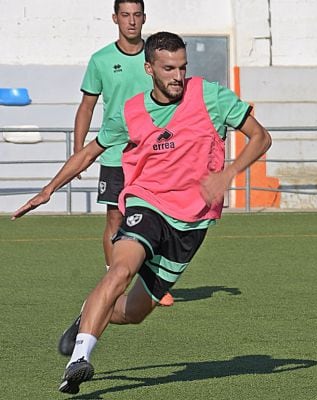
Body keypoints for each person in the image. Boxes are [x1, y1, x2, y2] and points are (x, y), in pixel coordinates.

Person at [12, 31, 273, 395]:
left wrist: (228, 173)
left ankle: (88, 313)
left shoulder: (212, 96)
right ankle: (80, 359)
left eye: (183, 67)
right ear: (149, 68)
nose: (178, 76)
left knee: (133, 312)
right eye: (168, 68)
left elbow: (261, 136)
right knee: (121, 268)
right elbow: (88, 153)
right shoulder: (131, 112)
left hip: (192, 222)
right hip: (145, 203)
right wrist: (48, 189)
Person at [73, 0, 175, 308]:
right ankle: (113, 282)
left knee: (158, 218)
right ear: (115, 18)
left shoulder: (157, 58)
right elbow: (87, 106)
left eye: (137, 15)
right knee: (116, 219)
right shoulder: (101, 60)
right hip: (116, 153)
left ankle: (153, 285)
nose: (131, 21)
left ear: (144, 18)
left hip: (153, 153)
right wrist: (79, 151)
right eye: (125, 15)